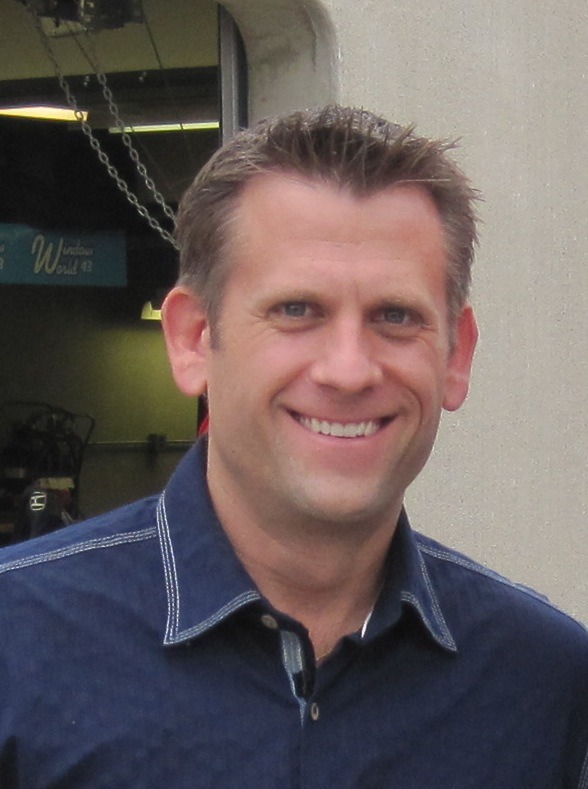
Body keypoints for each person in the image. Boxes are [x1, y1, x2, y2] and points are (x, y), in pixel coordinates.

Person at [0, 106, 586, 788]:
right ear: (193, 340)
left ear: (456, 356)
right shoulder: (17, 642)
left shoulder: (543, 682)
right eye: (297, 310)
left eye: (395, 316)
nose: (348, 370)